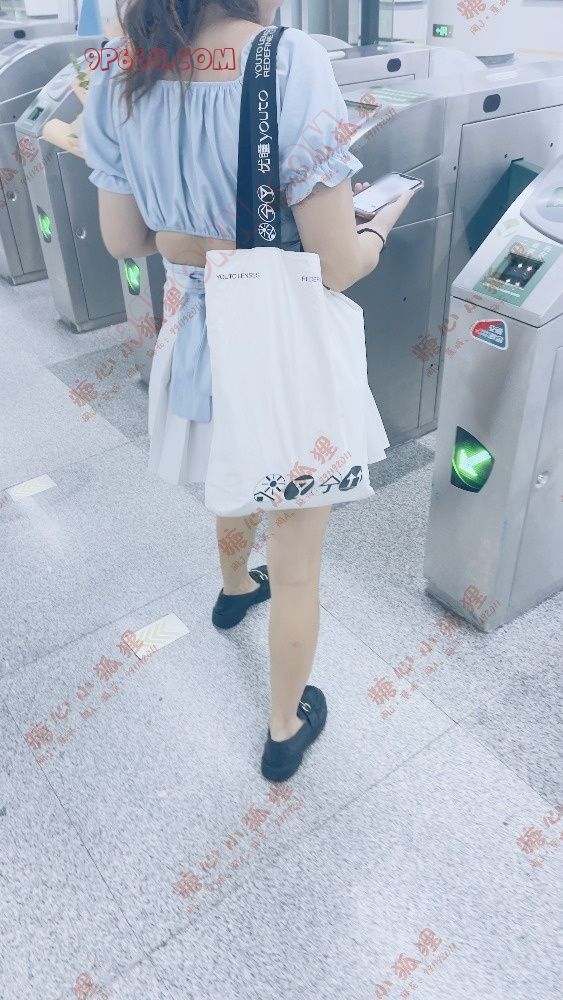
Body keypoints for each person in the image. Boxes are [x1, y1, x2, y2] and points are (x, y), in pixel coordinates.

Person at [81, 0, 415, 782]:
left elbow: (125, 240)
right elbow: (335, 265)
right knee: (296, 563)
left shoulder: (120, 63)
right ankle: (283, 727)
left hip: (195, 340)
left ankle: (233, 588)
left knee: (230, 473)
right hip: (278, 349)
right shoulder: (287, 58)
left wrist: (194, 239)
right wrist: (379, 223)